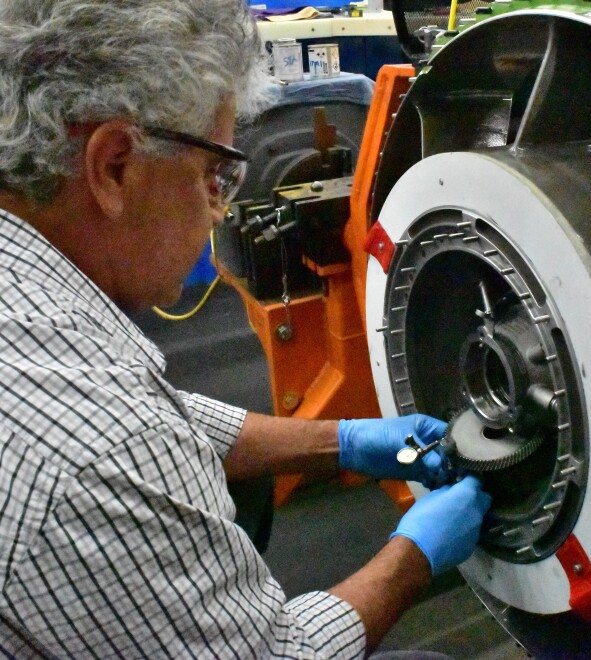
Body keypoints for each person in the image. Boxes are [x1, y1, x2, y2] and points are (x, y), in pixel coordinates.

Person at [0, 1, 491, 657]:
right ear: (114, 164)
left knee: (244, 482)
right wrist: (415, 556)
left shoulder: (39, 317)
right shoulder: (100, 449)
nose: (220, 207)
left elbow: (158, 417)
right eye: (214, 175)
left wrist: (339, 440)